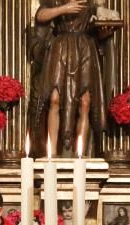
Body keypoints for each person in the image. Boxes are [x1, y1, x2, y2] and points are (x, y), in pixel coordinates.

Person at [28, 0, 111, 157]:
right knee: (54, 98)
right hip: (61, 47)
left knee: (85, 102)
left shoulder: (92, 3)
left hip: (85, 47)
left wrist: (104, 32)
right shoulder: (56, 1)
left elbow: (99, 27)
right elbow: (41, 16)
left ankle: (79, 153)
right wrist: (65, 8)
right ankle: (51, 153)